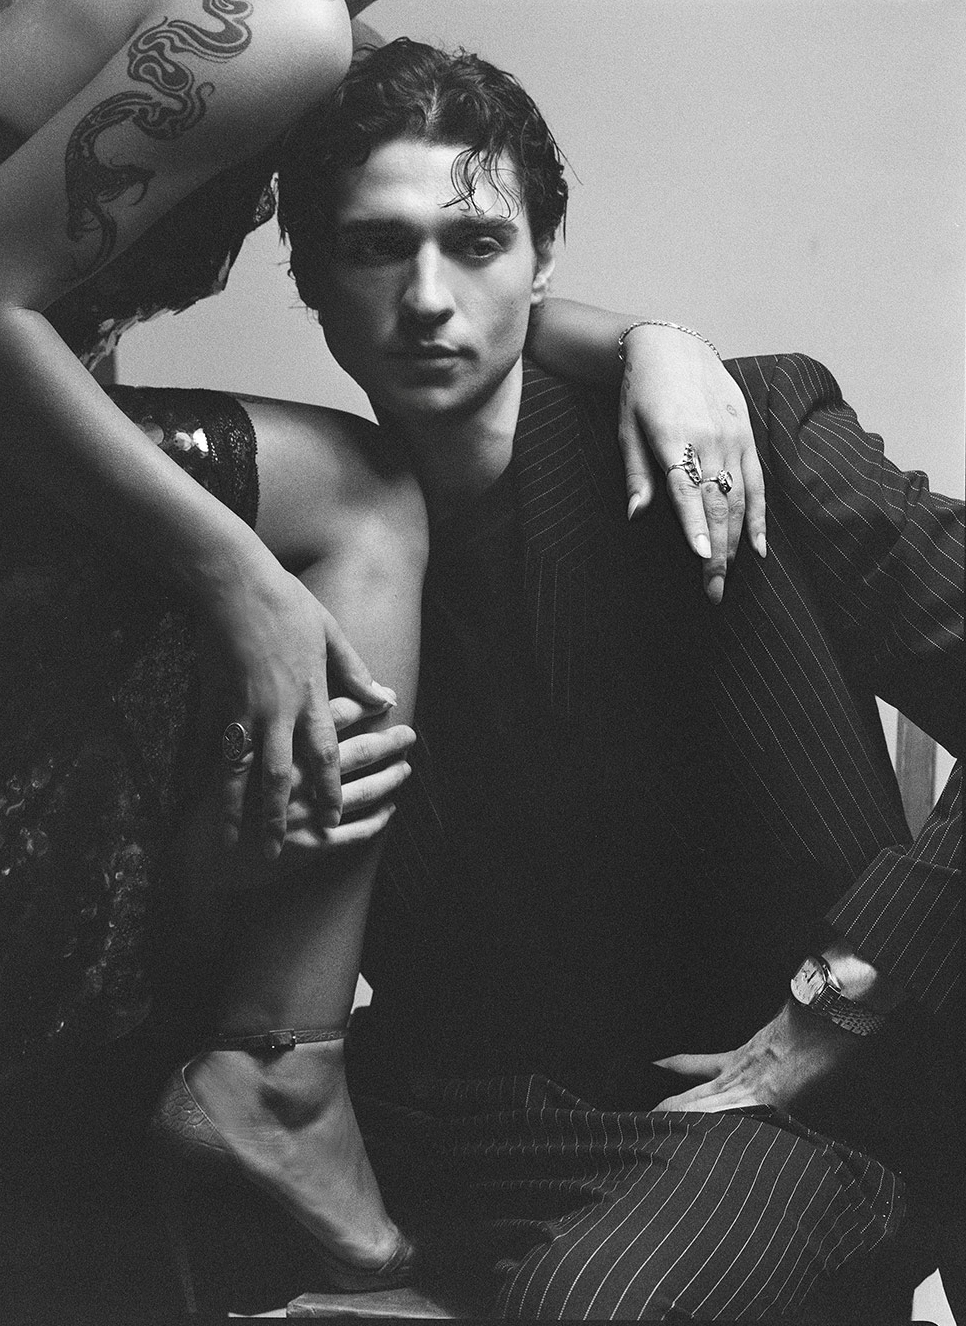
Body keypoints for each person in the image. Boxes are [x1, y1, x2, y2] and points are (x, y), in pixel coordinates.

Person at [0, 1, 768, 1309]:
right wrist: (234, 573)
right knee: (358, 500)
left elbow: (438, 240)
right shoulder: (280, 24)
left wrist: (657, 341)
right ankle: (283, 1073)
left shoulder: (295, 34)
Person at [275, 38, 963, 1320]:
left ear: (542, 261)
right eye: (375, 249)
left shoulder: (741, 432)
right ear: (312, 279)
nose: (427, 298)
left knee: (595, 1303)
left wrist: (856, 983)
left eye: (476, 244)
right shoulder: (309, 539)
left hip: (769, 1126)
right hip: (442, 1123)